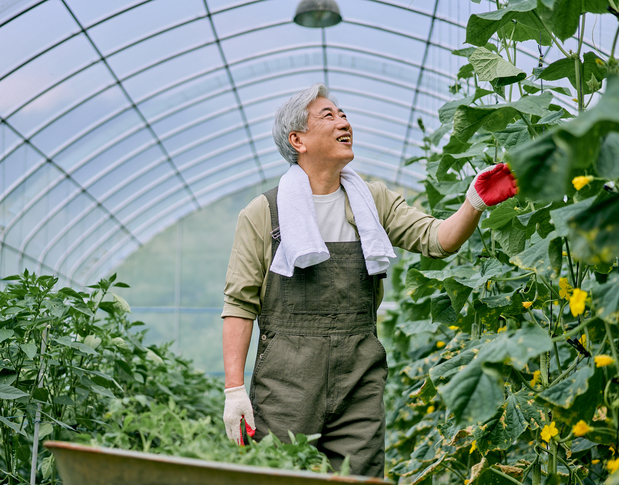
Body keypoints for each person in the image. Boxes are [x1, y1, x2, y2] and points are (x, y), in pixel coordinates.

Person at [220, 83, 517, 477]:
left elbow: (437, 239)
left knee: (362, 477)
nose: (344, 121)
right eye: (329, 115)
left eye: (343, 114)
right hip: (286, 384)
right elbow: (240, 305)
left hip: (358, 379)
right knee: (282, 475)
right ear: (298, 140)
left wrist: (474, 202)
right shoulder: (265, 213)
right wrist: (234, 389)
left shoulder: (371, 201)